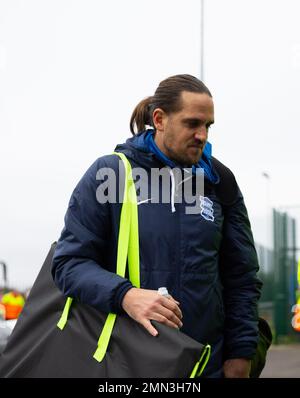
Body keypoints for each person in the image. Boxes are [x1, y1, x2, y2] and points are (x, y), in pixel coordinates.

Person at [52, 74, 262, 378]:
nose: (202, 135)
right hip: (129, 364)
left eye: (208, 126)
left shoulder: (220, 182)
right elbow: (68, 264)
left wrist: (241, 353)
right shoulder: (109, 173)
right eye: (192, 124)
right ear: (160, 119)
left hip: (207, 364)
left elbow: (241, 276)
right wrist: (125, 295)